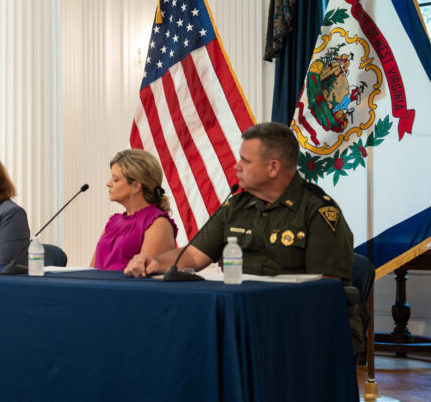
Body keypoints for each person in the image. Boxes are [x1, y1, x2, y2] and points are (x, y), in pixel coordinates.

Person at [125, 122, 362, 352]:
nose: (236, 166)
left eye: (245, 161)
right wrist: (157, 262)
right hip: (245, 319)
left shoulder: (317, 211)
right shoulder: (236, 207)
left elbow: (323, 290)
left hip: (304, 323)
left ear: (273, 167)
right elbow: (194, 255)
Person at [92, 149, 177, 270]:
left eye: (115, 180)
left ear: (136, 186)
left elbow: (146, 277)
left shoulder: (158, 224)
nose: (108, 183)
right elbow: (91, 270)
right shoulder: (113, 222)